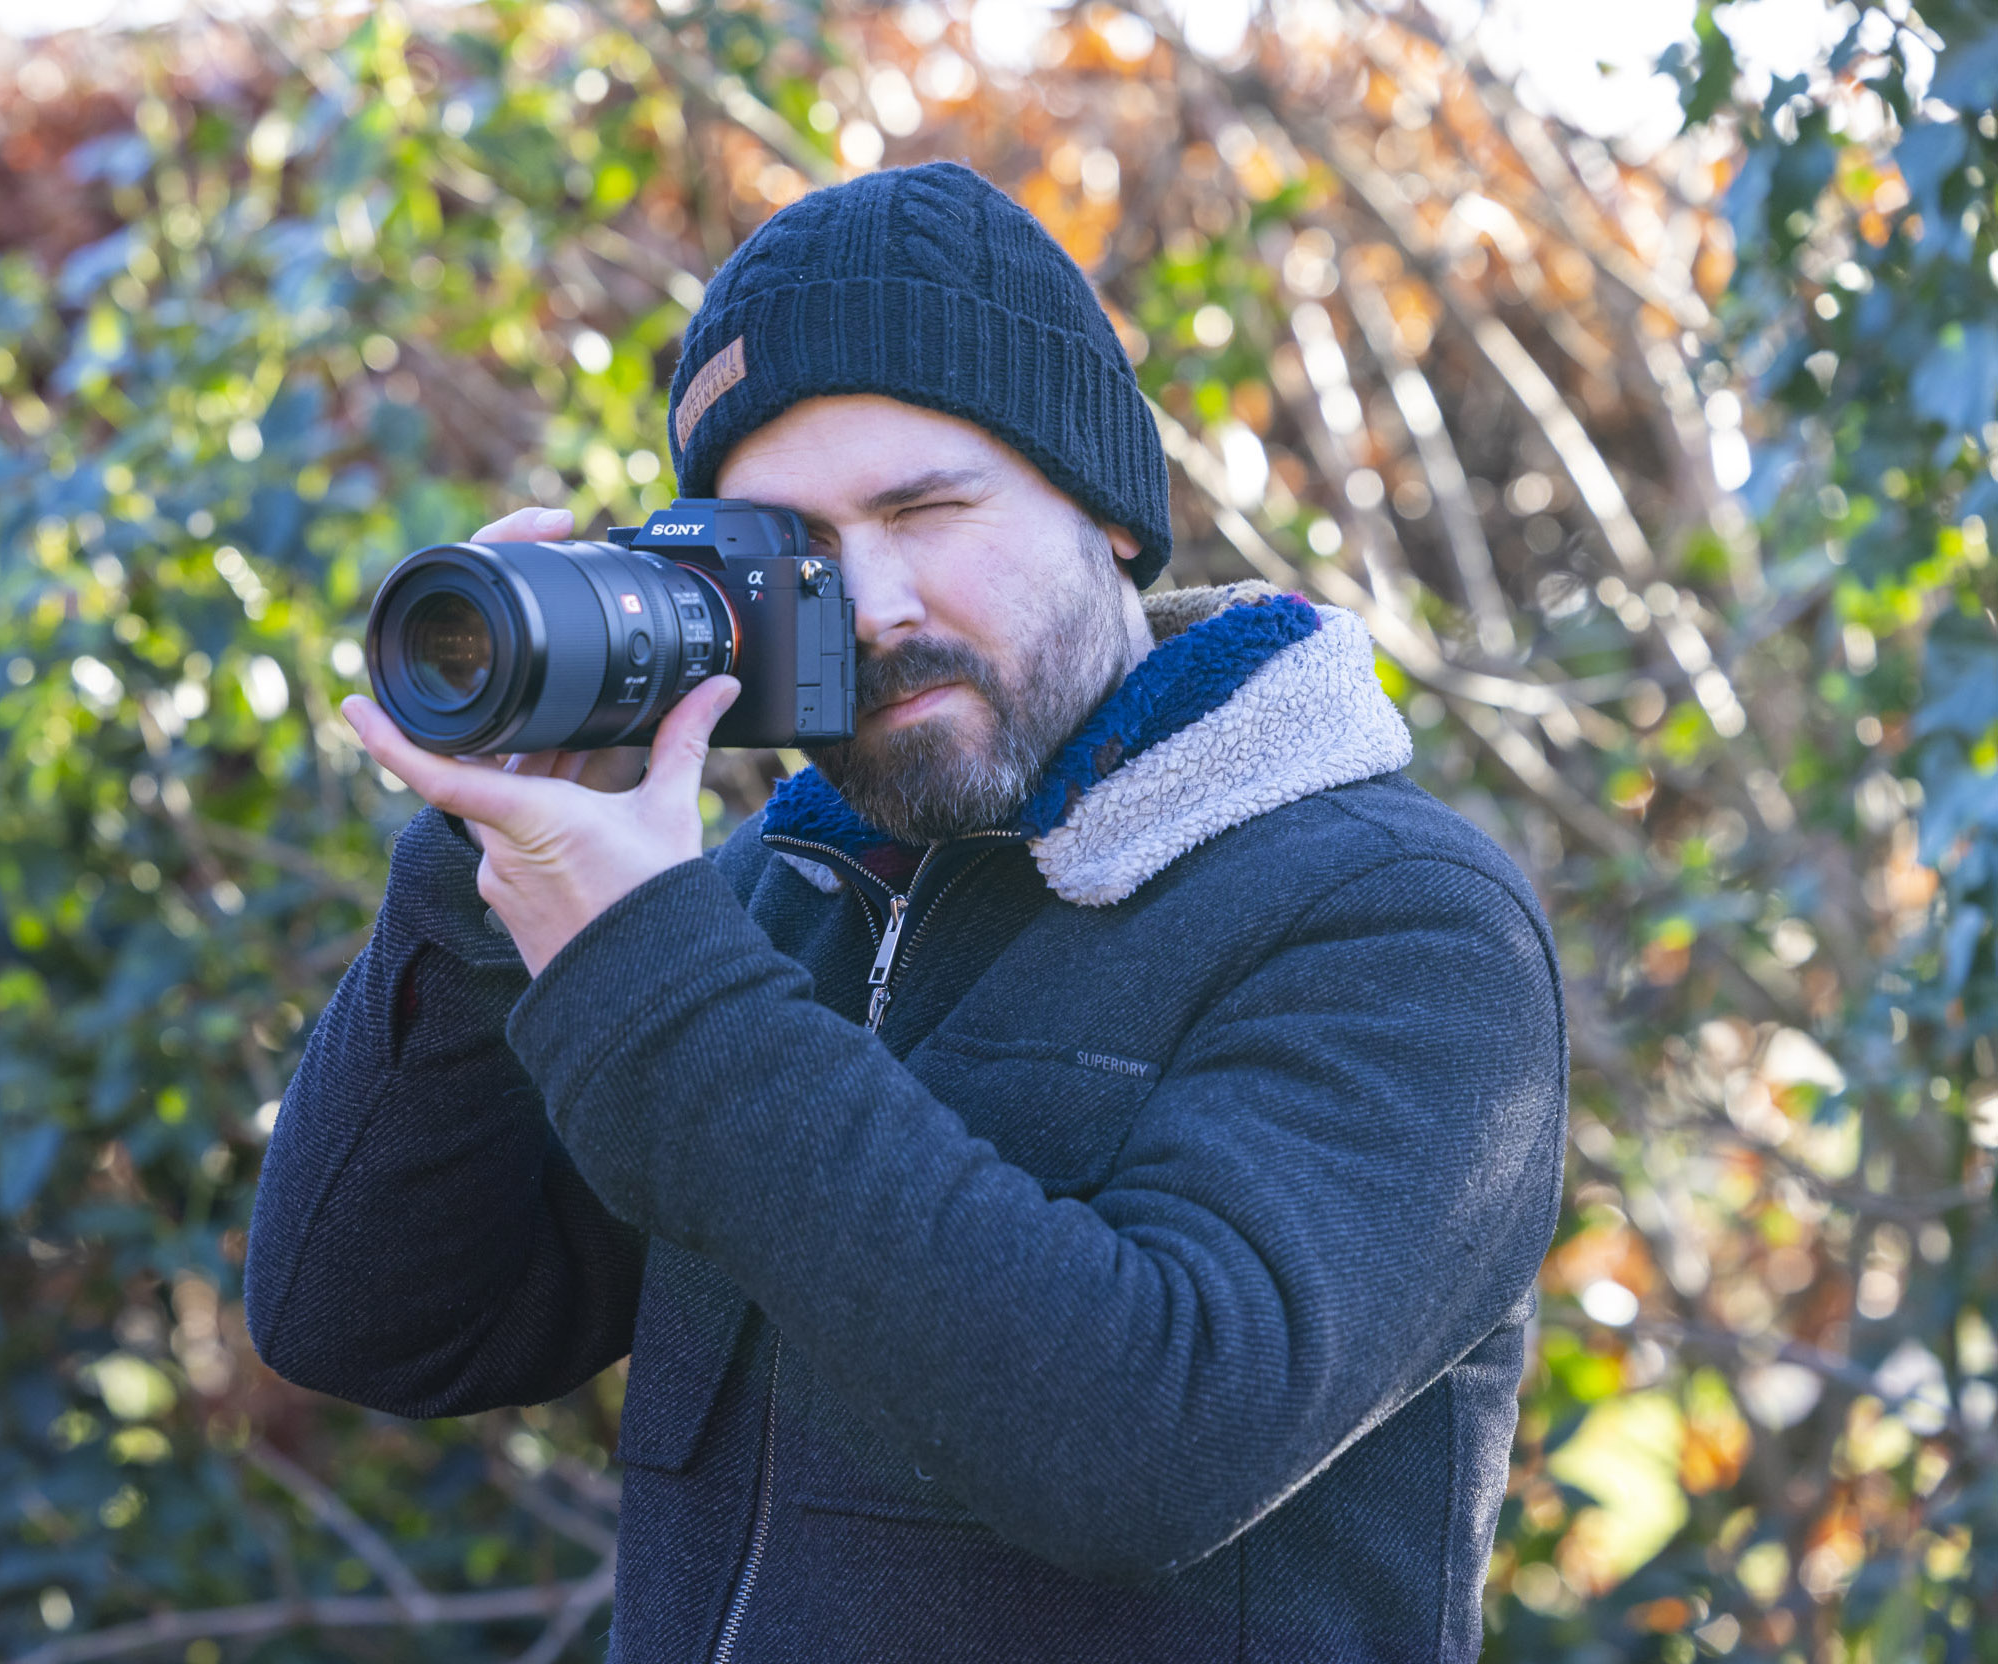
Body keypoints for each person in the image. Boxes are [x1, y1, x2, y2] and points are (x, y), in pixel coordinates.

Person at [243, 160, 1566, 1663]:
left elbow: (1150, 1445)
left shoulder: (1395, 919)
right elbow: (365, 1320)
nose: (869, 606)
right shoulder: (769, 909)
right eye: (796, 549)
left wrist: (657, 984)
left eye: (927, 506)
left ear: (1111, 514)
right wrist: (490, 873)